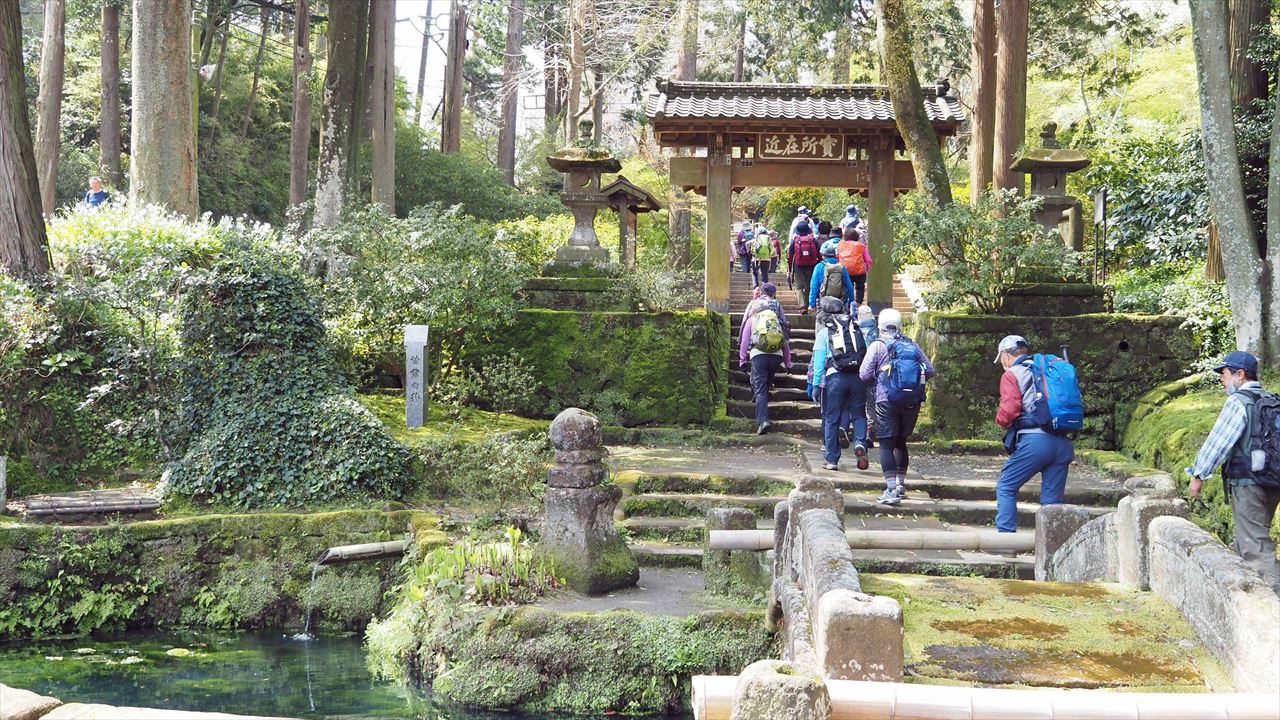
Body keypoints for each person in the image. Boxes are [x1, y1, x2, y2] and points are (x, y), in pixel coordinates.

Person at [1187, 350, 1280, 593]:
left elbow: (1218, 442)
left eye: (1225, 373)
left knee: (1256, 547)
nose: (1222, 379)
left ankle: (1272, 602)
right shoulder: (1271, 399)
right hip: (1273, 480)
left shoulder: (1239, 401)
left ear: (1240, 375)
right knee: (1249, 537)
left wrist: (1198, 475)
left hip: (1248, 484)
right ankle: (1242, 592)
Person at [992, 335, 1074, 533]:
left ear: (1005, 355)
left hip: (1036, 442)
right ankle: (1053, 545)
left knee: (1006, 486)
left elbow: (1009, 410)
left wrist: (1001, 421)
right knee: (1052, 502)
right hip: (1062, 444)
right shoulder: (1048, 371)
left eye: (1001, 358)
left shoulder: (1013, 374)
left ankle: (1006, 540)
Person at [860, 309, 934, 505]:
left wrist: (879, 381)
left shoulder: (878, 345)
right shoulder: (912, 345)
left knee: (886, 444)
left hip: (886, 400)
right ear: (900, 326)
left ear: (881, 326)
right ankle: (900, 486)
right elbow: (930, 370)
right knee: (901, 441)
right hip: (911, 401)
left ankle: (891, 490)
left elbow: (864, 374)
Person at [812, 296, 870, 471]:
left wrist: (816, 385)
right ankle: (860, 443)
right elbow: (866, 354)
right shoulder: (856, 329)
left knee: (832, 418)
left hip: (836, 378)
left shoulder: (824, 333)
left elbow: (819, 363)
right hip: (857, 377)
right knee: (859, 415)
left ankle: (832, 459)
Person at [739, 283, 792, 435]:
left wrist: (742, 360)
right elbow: (785, 341)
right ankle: (762, 405)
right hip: (776, 356)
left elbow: (744, 341)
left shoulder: (752, 319)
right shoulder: (775, 320)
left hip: (759, 355)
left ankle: (763, 421)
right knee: (766, 384)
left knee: (761, 389)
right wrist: (788, 363)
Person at [808, 240, 856, 313]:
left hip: (823, 302)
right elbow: (850, 287)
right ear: (835, 256)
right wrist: (850, 303)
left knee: (822, 319)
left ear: (823, 256)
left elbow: (814, 286)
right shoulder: (842, 267)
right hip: (840, 302)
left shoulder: (819, 266)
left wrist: (812, 304)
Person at [857, 305, 879, 446]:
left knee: (858, 402)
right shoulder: (877, 330)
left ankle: (859, 430)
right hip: (875, 372)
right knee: (871, 403)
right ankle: (871, 430)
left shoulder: (855, 329)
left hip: (858, 370)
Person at [788, 221, 822, 313]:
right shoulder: (813, 240)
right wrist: (820, 264)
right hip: (812, 266)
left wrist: (790, 268)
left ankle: (802, 306)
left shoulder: (795, 241)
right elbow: (819, 254)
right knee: (809, 286)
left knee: (799, 287)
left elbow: (790, 256)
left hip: (798, 266)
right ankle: (807, 306)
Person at [836, 227, 872, 305]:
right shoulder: (861, 245)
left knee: (847, 288)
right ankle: (858, 304)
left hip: (845, 271)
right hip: (860, 271)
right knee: (860, 287)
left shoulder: (840, 245)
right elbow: (868, 260)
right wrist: (867, 268)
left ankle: (848, 304)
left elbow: (838, 257)